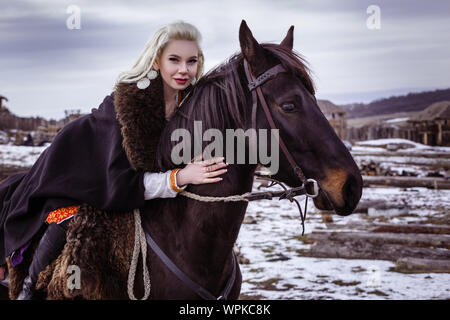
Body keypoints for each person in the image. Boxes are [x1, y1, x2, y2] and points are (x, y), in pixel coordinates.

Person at [0, 21, 228, 300]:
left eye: (191, 61)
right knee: (67, 214)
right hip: (76, 168)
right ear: (157, 61)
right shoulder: (133, 104)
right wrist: (179, 178)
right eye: (174, 60)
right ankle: (27, 288)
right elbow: (122, 184)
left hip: (111, 174)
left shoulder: (189, 100)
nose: (184, 69)